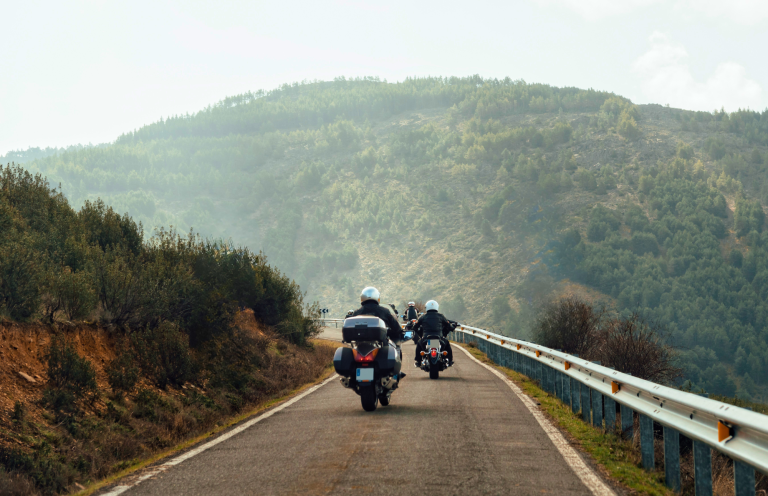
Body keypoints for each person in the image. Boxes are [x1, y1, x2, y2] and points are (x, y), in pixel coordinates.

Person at [412, 299, 455, 367]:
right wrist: (452, 327)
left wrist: (418, 332)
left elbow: (415, 327)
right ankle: (450, 361)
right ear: (436, 307)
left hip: (426, 338)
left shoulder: (423, 317)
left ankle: (418, 361)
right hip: (439, 338)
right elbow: (448, 326)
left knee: (419, 344)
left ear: (426, 307)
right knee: (447, 344)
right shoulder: (441, 316)